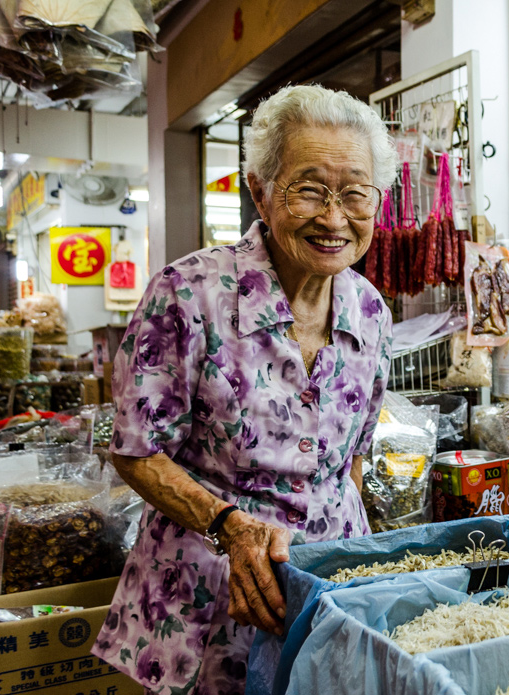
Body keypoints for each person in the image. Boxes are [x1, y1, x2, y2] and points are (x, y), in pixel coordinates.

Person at [92, 85, 398, 695]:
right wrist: (230, 528)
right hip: (203, 612)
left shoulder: (372, 312)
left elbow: (351, 462)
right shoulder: (188, 294)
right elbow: (133, 446)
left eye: (355, 193)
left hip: (325, 611)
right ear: (259, 190)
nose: (334, 218)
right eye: (309, 188)